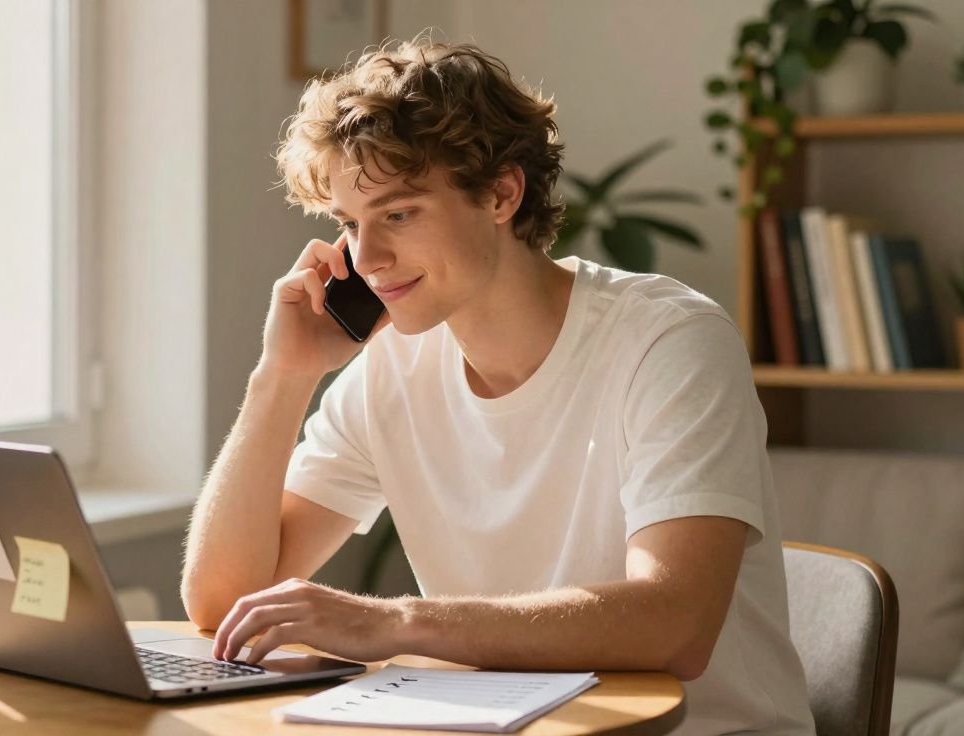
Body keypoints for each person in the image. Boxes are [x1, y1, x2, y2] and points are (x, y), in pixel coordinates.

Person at [180, 36, 815, 734]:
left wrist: (390, 622)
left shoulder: (668, 342)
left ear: (501, 194)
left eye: (398, 213)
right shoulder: (392, 366)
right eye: (348, 225)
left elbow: (676, 625)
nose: (367, 259)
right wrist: (283, 377)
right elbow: (223, 601)